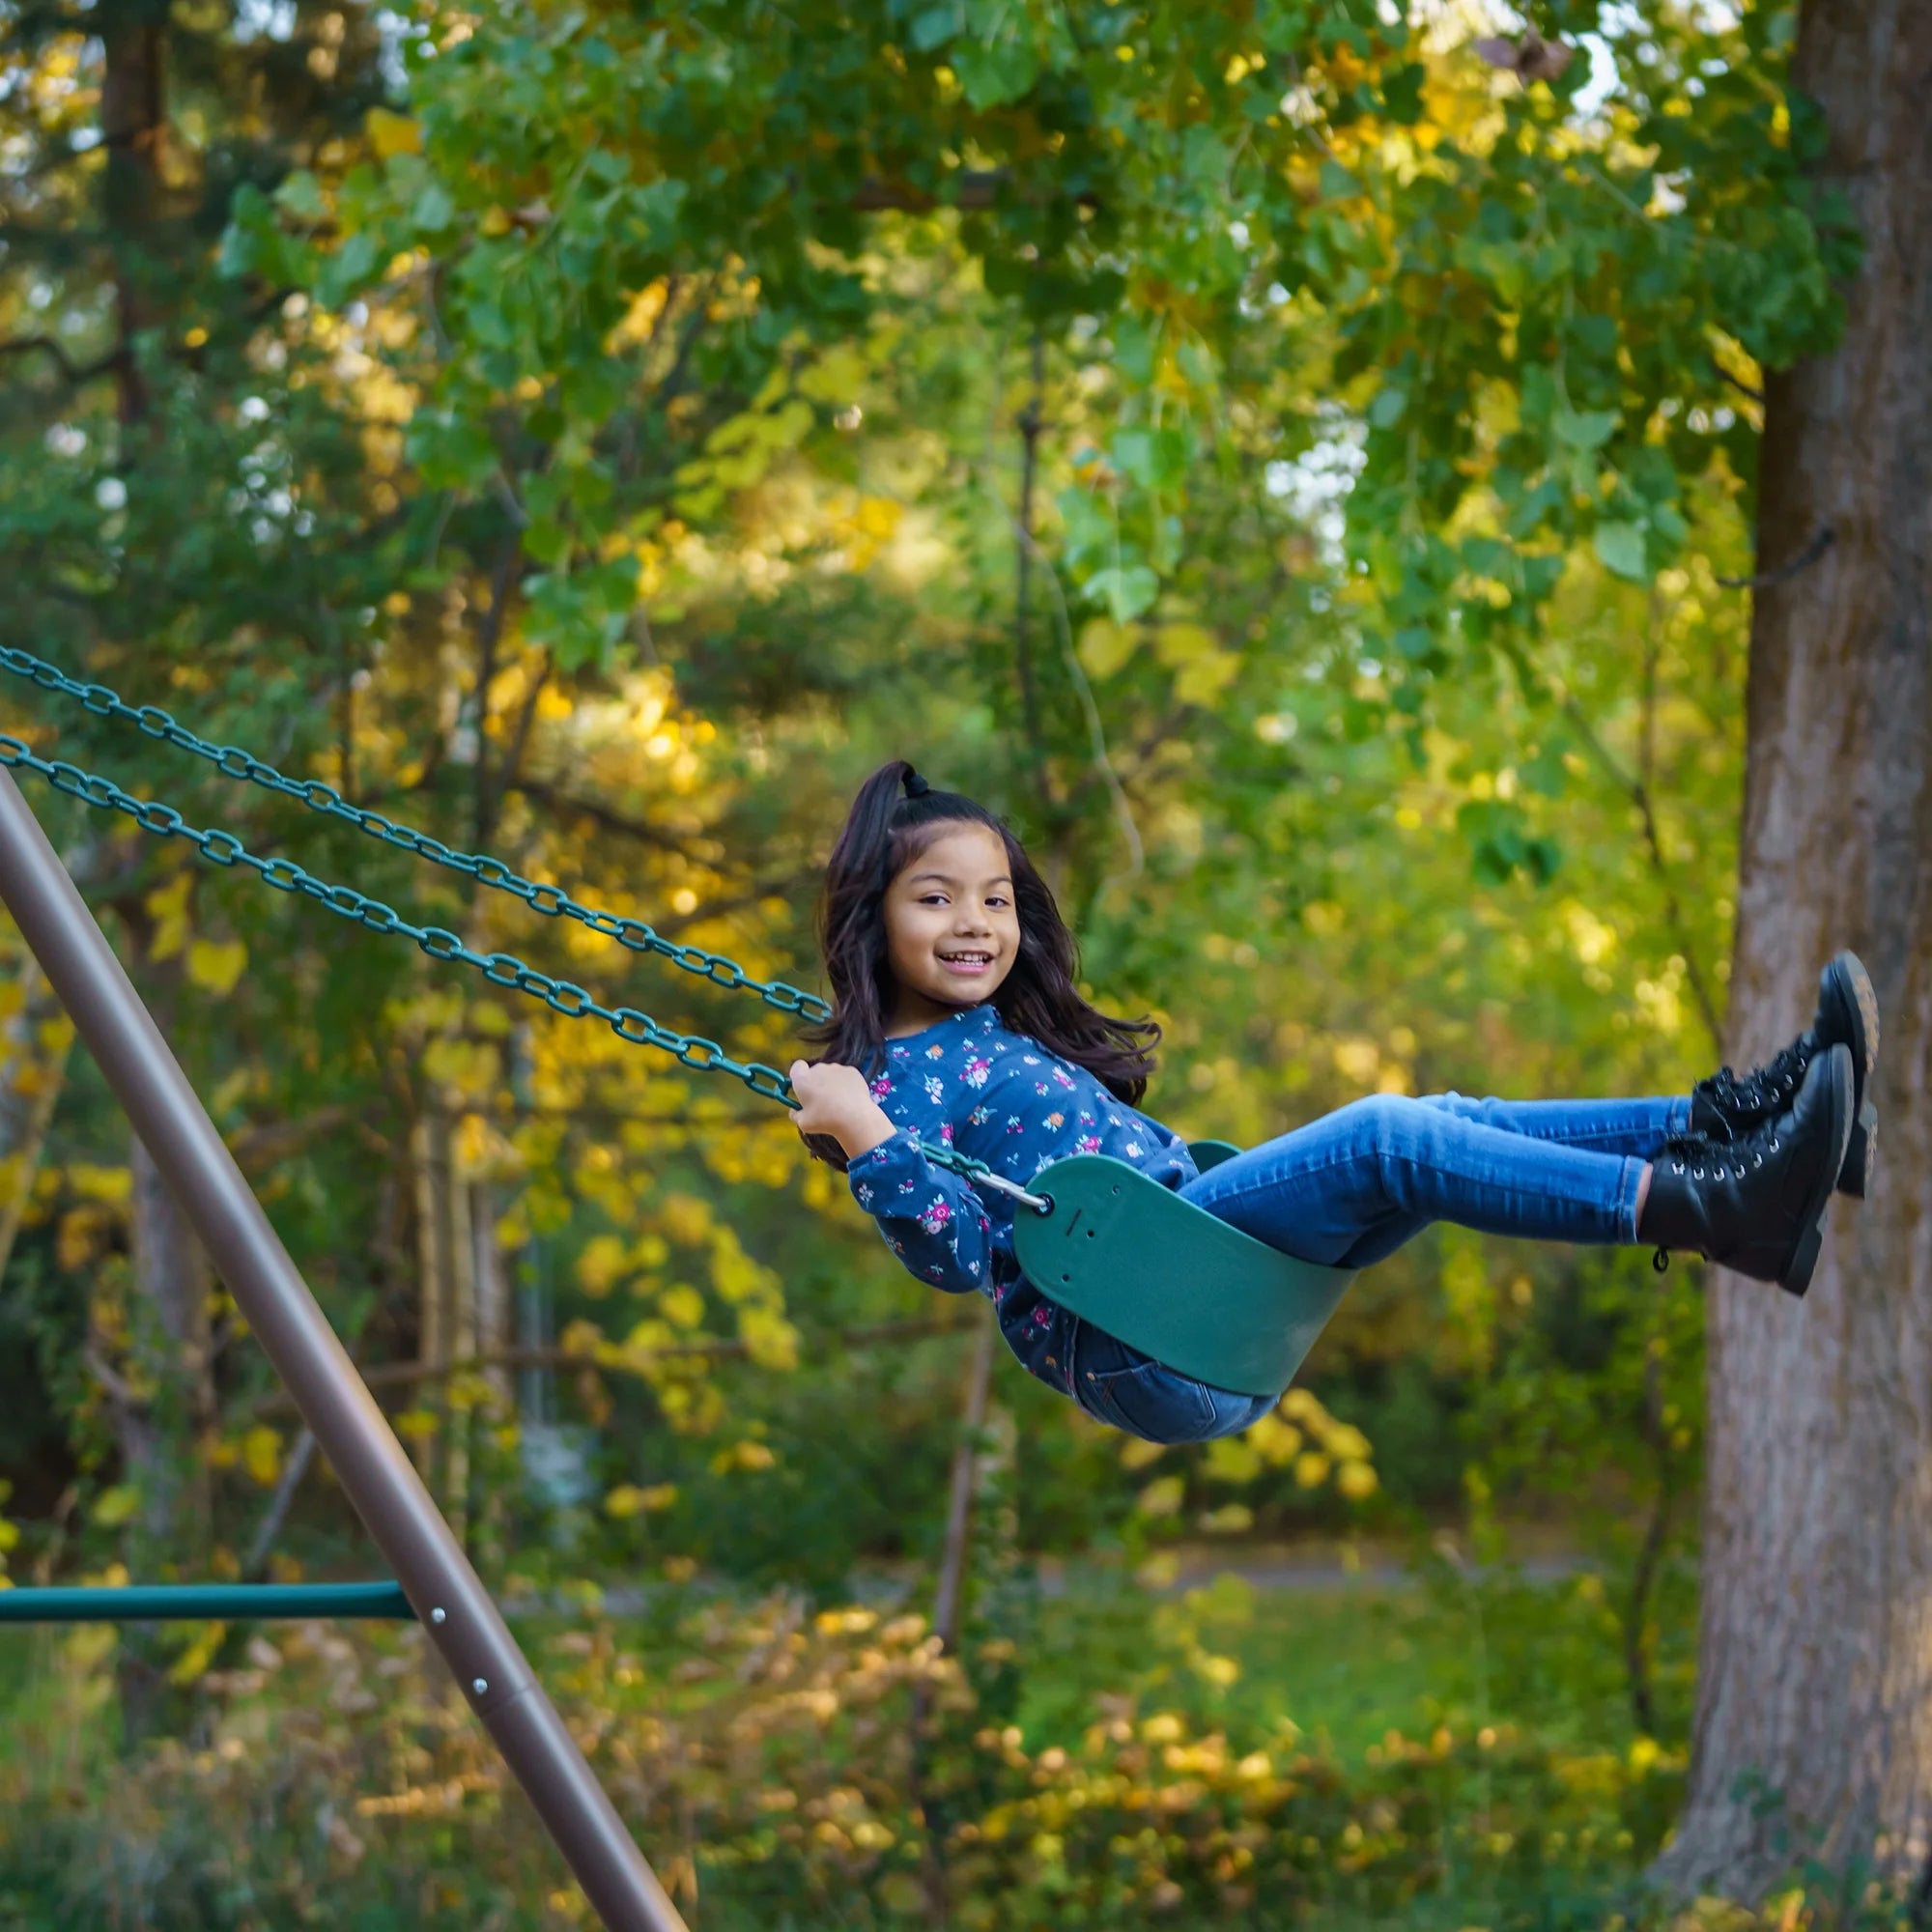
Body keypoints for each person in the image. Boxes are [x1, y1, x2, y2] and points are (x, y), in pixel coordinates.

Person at [787, 762, 1879, 1446]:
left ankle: (1736, 1129)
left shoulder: (988, 1029)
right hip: (1143, 1325)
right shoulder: (888, 1085)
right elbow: (951, 1253)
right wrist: (865, 1130)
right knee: (1385, 1135)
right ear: (869, 920)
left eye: (994, 898)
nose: (973, 922)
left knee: (1444, 1123)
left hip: (1198, 1269)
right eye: (933, 899)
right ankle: (1713, 1208)